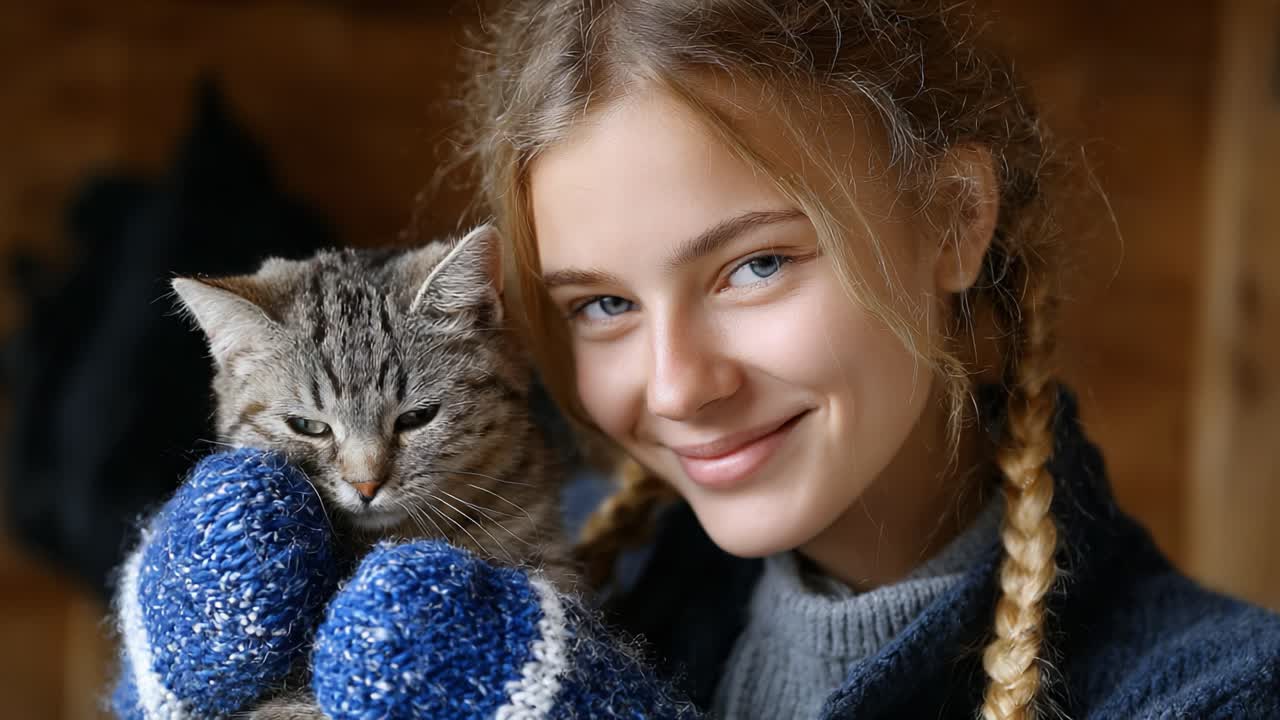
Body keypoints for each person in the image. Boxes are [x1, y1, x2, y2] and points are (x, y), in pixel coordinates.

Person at [454, 1, 1280, 718]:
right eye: (604, 305)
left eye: (757, 265)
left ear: (952, 220)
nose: (676, 387)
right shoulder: (559, 618)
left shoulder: (1223, 692)